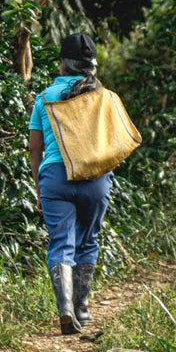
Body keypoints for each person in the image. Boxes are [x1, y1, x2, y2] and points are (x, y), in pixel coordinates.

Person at [28, 32, 112, 335]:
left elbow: (34, 148)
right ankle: (83, 310)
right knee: (88, 241)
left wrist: (40, 188)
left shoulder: (43, 97)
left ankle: (64, 309)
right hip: (95, 180)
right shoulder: (103, 97)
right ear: (92, 67)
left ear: (62, 65)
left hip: (54, 178)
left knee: (61, 243)